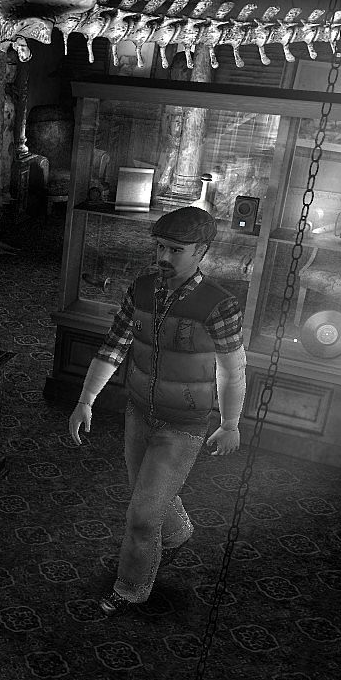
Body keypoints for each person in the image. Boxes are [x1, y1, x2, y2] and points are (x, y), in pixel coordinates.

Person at [67, 206, 247, 618]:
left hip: (184, 424)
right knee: (145, 495)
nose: (163, 257)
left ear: (201, 251)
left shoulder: (219, 305)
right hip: (138, 411)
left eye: (175, 250)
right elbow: (114, 346)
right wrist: (85, 400)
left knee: (143, 516)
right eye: (160, 247)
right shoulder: (142, 288)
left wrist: (231, 423)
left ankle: (130, 588)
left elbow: (233, 368)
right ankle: (179, 530)